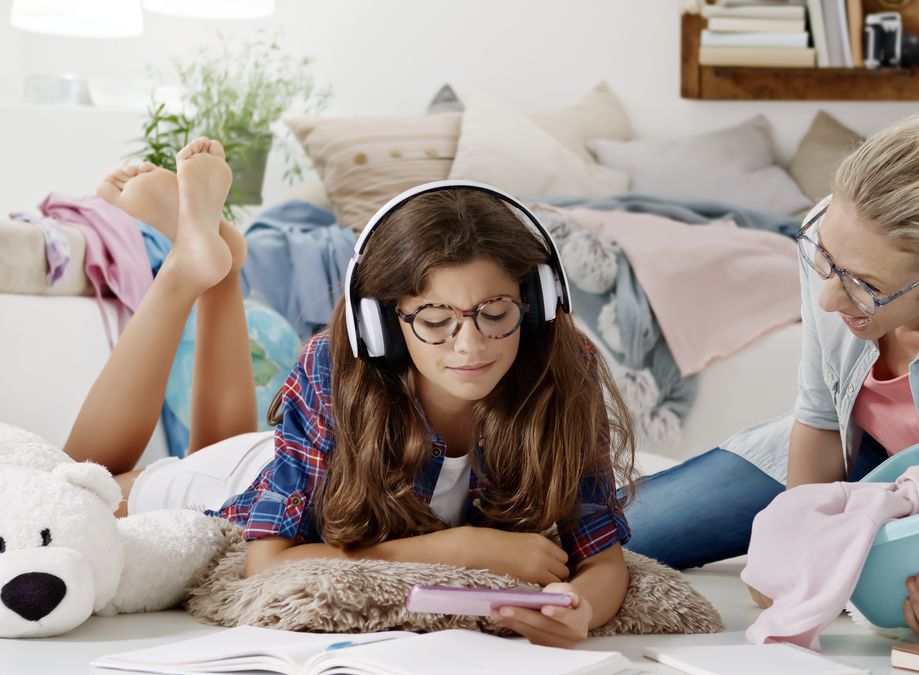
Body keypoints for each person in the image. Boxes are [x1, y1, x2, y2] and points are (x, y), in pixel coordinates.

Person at [65, 141, 636, 649]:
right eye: (435, 319)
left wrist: (581, 609)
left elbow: (604, 561)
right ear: (383, 325)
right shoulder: (335, 368)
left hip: (283, 455)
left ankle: (224, 268)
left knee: (216, 441)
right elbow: (267, 561)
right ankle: (186, 272)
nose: (470, 344)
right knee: (79, 480)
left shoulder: (563, 369)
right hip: (236, 480)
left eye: (496, 312)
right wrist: (461, 548)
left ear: (534, 306)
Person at [622, 116, 919, 642]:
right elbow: (819, 412)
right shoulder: (833, 237)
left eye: (864, 285)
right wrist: (797, 539)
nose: (829, 299)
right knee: (598, 536)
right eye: (826, 262)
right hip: (849, 445)